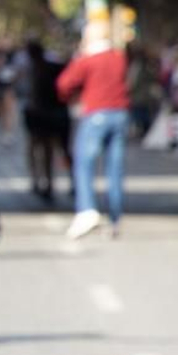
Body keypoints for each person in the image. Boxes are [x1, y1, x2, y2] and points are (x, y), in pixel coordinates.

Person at [57, 19, 131, 239]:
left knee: (84, 163)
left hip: (97, 113)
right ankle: (115, 218)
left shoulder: (88, 59)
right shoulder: (119, 58)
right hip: (120, 113)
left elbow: (64, 84)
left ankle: (87, 209)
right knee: (114, 167)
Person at [20, 38, 72, 202]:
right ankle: (56, 182)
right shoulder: (53, 67)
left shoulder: (32, 70)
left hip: (42, 115)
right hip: (55, 114)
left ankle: (41, 181)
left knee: (40, 148)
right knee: (57, 149)